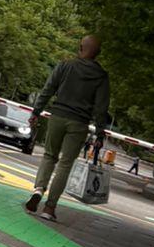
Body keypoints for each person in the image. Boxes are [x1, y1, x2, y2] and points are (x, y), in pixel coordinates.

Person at [26, 34, 111, 220]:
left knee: (49, 156)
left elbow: (48, 89)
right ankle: (49, 208)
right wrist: (99, 133)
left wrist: (36, 112)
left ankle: (38, 189)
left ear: (80, 47)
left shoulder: (65, 65)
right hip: (79, 123)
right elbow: (101, 108)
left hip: (57, 116)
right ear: (98, 53)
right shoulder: (101, 76)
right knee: (65, 164)